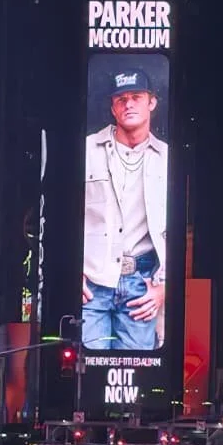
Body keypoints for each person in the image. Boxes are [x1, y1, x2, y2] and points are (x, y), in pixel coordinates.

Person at [82, 68, 168, 352]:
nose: (128, 104)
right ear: (112, 107)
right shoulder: (86, 151)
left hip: (140, 284)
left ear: (151, 102)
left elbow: (185, 230)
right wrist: (70, 271)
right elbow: (58, 217)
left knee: (137, 381)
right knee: (86, 376)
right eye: (121, 99)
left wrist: (164, 287)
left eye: (136, 97)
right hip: (91, 282)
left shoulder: (169, 159)